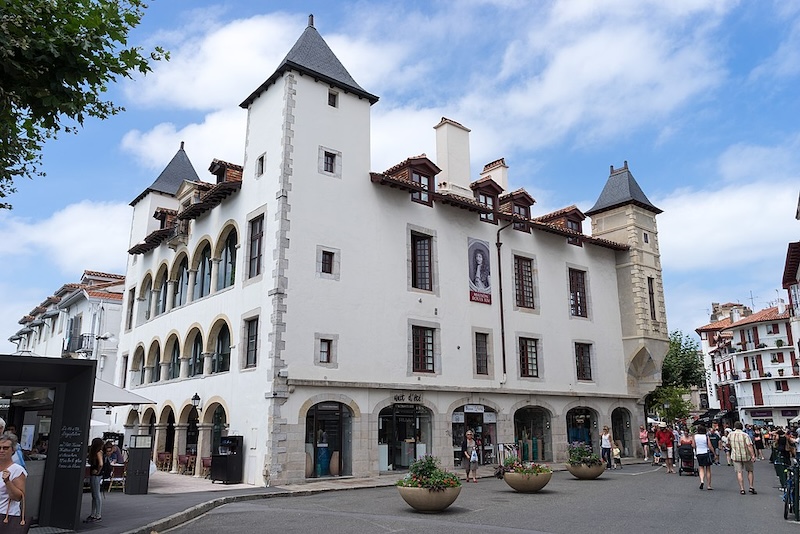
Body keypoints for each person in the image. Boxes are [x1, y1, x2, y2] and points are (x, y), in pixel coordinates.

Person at [0, 432, 26, 528]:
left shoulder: (17, 470)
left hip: (6, 517)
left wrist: (7, 482)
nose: (1, 450)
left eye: (5, 448)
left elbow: (18, 497)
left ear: (13, 450)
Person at [729, 421, 757, 495]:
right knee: (750, 471)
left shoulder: (730, 434)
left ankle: (742, 488)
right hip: (746, 455)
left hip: (735, 456)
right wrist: (753, 455)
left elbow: (727, 444)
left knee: (739, 472)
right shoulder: (745, 435)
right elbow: (749, 446)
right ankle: (751, 487)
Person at [86, 437, 105, 522]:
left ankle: (97, 514)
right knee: (95, 495)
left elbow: (101, 464)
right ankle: (94, 514)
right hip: (96, 474)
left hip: (96, 475)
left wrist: (97, 471)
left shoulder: (97, 452)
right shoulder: (99, 452)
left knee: (96, 495)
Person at [692, 424, 716, 490]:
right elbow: (710, 445)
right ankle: (709, 485)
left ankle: (702, 480)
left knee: (701, 468)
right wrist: (714, 453)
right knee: (708, 469)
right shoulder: (706, 436)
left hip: (699, 453)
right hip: (706, 453)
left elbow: (693, 445)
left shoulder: (695, 436)